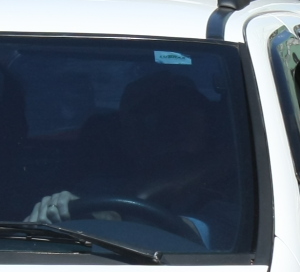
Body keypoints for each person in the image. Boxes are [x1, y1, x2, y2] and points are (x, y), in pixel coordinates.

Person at [25, 71, 243, 248]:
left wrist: (117, 218)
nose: (173, 127)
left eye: (185, 113)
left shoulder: (239, 190)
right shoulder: (97, 187)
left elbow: (216, 235)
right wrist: (53, 212)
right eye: (154, 116)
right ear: (127, 131)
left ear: (206, 123)